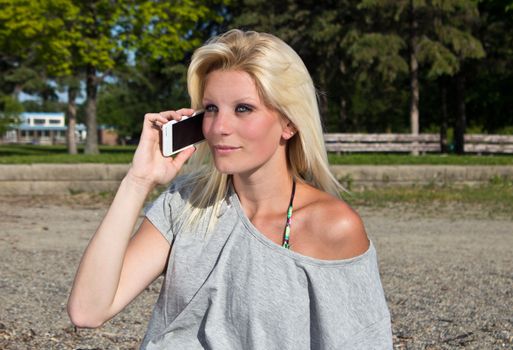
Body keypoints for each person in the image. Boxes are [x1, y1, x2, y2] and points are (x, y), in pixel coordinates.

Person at [68, 29, 392, 349]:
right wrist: (137, 181)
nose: (219, 128)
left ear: (289, 123)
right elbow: (87, 311)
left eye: (243, 109)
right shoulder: (186, 202)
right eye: (211, 109)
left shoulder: (333, 227)